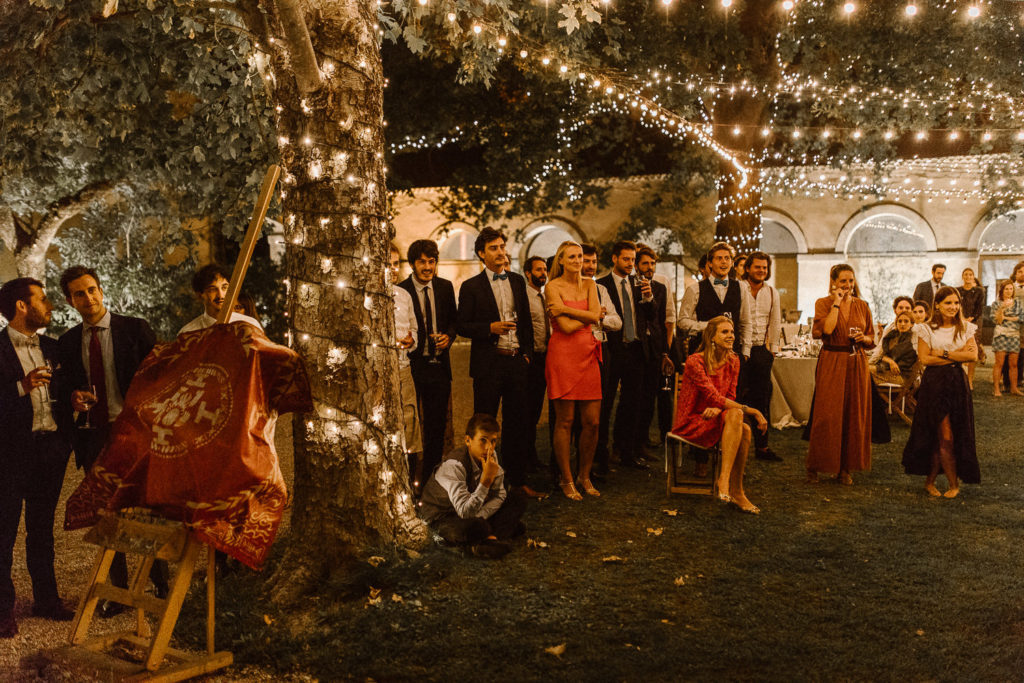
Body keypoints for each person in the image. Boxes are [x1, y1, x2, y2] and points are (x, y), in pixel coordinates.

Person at [55, 266, 168, 614]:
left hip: (133, 430)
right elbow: (66, 389)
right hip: (95, 435)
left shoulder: (134, 329)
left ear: (101, 291)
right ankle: (118, 592)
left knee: (146, 508)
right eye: (78, 294)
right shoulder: (68, 342)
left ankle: (162, 585)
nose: (87, 298)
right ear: (70, 300)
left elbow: (162, 377)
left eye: (91, 290)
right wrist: (74, 399)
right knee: (107, 513)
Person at [0, 278, 75, 638]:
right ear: (21, 306)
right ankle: (3, 611)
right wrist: (21, 386)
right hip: (10, 455)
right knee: (3, 534)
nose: (49, 305)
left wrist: (75, 402)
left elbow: (62, 392)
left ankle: (46, 600)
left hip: (49, 451)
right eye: (42, 300)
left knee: (42, 532)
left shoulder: (53, 347)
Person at [456, 228, 542, 498]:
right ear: (482, 254)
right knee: (485, 426)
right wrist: (489, 328)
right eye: (494, 248)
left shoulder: (517, 282)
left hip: (516, 362)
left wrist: (526, 353)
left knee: (518, 423)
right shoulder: (471, 287)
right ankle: (484, 483)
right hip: (488, 366)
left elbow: (526, 321)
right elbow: (462, 325)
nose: (501, 252)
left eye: (502, 246)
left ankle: (517, 482)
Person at [671, 316, 766, 514]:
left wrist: (720, 408)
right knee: (744, 425)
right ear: (711, 337)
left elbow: (728, 396)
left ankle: (732, 486)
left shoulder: (734, 360)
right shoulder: (694, 361)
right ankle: (730, 486)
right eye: (724, 332)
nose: (730, 336)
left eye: (732, 332)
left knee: (740, 423)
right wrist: (754, 411)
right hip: (692, 420)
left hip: (720, 417)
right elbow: (712, 395)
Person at [678, 242, 750, 477]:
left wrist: (745, 349)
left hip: (730, 354)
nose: (724, 262)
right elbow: (683, 321)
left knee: (727, 403)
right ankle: (701, 458)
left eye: (727, 258)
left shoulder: (742, 288)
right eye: (719, 258)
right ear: (709, 263)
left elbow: (745, 322)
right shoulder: (696, 289)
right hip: (703, 354)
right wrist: (707, 327)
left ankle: (728, 455)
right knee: (702, 404)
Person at [902, 287, 979, 497]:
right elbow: (925, 359)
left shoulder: (965, 328)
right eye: (948, 303)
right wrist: (958, 355)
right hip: (934, 384)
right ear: (937, 304)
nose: (953, 307)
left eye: (956, 303)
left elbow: (973, 357)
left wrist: (944, 353)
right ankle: (954, 484)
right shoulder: (925, 329)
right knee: (944, 435)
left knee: (951, 434)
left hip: (957, 384)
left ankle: (930, 481)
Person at [418, 414, 527, 559]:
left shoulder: (491, 455)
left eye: (493, 441)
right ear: (468, 440)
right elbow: (464, 512)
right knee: (479, 527)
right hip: (442, 516)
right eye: (483, 441)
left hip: (472, 511)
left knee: (518, 498)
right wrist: (486, 481)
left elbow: (499, 494)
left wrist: (481, 516)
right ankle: (493, 536)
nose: (489, 448)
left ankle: (490, 538)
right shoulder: (455, 465)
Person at [545, 241, 604, 500]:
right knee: (565, 420)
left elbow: (596, 318)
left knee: (592, 421)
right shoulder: (552, 287)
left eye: (580, 256)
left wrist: (565, 310)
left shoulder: (590, 284)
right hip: (563, 355)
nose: (578, 260)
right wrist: (587, 315)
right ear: (561, 260)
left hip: (589, 353)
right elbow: (566, 328)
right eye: (572, 256)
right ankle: (566, 479)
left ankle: (585, 475)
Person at [805, 264, 874, 485]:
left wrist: (865, 339)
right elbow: (826, 330)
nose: (848, 285)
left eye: (851, 281)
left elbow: (873, 337)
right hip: (832, 359)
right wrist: (837, 302)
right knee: (827, 414)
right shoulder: (823, 303)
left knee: (852, 413)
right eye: (843, 281)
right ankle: (817, 464)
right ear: (834, 281)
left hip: (856, 362)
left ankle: (845, 468)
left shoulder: (862, 306)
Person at [398, 240, 457, 490]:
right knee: (411, 425)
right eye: (422, 261)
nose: (427, 267)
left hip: (439, 366)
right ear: (412, 264)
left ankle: (430, 482)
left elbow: (454, 321)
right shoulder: (402, 291)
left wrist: (449, 337)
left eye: (431, 261)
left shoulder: (444, 287)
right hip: (413, 365)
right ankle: (410, 479)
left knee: (435, 426)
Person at [596, 240, 658, 470]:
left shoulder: (640, 283)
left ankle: (626, 451)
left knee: (632, 403)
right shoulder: (601, 285)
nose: (631, 264)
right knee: (606, 402)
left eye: (633, 260)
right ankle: (601, 453)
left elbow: (652, 315)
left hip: (635, 349)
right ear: (614, 258)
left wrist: (649, 298)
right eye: (626, 259)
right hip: (612, 350)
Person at [581, 243, 621, 478]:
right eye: (586, 261)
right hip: (574, 354)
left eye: (593, 261)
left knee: (601, 411)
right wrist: (593, 317)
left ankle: (598, 459)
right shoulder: (563, 289)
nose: (589, 266)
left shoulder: (600, 290)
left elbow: (616, 322)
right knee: (573, 414)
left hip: (599, 352)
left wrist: (600, 320)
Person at [739, 251, 782, 462]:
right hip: (739, 350)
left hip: (761, 351)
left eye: (764, 268)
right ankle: (733, 442)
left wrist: (771, 350)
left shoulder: (772, 292)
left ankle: (762, 447)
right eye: (757, 267)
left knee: (761, 398)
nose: (761, 271)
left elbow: (775, 322)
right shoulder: (738, 288)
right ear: (748, 268)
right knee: (736, 397)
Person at [634, 244, 674, 457]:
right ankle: (631, 442)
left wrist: (665, 352)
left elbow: (662, 321)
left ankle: (642, 442)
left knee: (650, 396)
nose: (649, 267)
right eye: (645, 263)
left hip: (655, 348)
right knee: (636, 398)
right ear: (636, 266)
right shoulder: (630, 287)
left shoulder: (660, 288)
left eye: (652, 263)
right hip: (637, 347)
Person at [390, 245, 422, 488]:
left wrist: (412, 342)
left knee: (409, 424)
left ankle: (411, 485)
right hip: (381, 371)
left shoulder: (404, 296)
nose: (392, 269)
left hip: (404, 369)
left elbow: (415, 330)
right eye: (387, 264)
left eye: (395, 264)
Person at [524, 256, 550, 473]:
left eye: (544, 269)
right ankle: (525, 455)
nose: (543, 273)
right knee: (527, 410)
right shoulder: (525, 296)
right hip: (530, 359)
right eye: (538, 270)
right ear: (527, 273)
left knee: (536, 409)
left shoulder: (545, 296)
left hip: (546, 358)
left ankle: (531, 454)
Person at [178, 264, 261, 334]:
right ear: (199, 295)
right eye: (212, 290)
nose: (220, 295)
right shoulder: (188, 333)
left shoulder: (250, 325)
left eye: (224, 288)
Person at [991, 280, 1023, 397]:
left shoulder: (1018, 303)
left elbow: (1021, 318)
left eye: (1011, 289)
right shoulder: (996, 304)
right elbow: (997, 320)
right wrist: (1002, 309)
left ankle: (1014, 388)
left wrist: (1007, 318)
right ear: (1002, 290)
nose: (1009, 291)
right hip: (1001, 334)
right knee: (999, 363)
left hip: (1014, 335)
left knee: (1014, 364)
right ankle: (996, 389)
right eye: (1006, 289)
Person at [957, 268, 986, 387]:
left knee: (972, 348)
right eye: (966, 274)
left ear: (973, 277)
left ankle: (969, 380)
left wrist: (971, 318)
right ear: (962, 276)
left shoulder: (979, 291)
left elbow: (980, 307)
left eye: (970, 275)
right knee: (960, 348)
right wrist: (962, 318)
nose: (968, 277)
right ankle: (960, 379)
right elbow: (957, 305)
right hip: (960, 321)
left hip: (974, 323)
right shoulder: (958, 290)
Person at [870, 312, 918, 382]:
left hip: (901, 376)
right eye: (900, 321)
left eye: (906, 321)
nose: (902, 324)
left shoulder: (911, 340)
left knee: (865, 370)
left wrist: (888, 360)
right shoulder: (892, 335)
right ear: (896, 323)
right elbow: (885, 355)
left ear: (912, 324)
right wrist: (889, 360)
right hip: (887, 369)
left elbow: (892, 358)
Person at [869, 296, 916, 366]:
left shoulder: (915, 329)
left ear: (912, 311)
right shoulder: (890, 328)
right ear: (895, 310)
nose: (904, 310)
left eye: (907, 308)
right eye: (901, 308)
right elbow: (881, 348)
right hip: (883, 360)